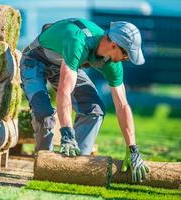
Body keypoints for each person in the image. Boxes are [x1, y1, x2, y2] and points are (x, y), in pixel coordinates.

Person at [19, 18, 149, 183]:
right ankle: (46, 166)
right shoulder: (78, 41)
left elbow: (122, 105)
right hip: (34, 61)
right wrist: (66, 133)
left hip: (64, 64)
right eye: (126, 54)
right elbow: (65, 92)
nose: (126, 58)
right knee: (44, 115)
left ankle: (73, 168)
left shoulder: (113, 63)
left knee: (94, 111)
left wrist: (132, 149)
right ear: (114, 44)